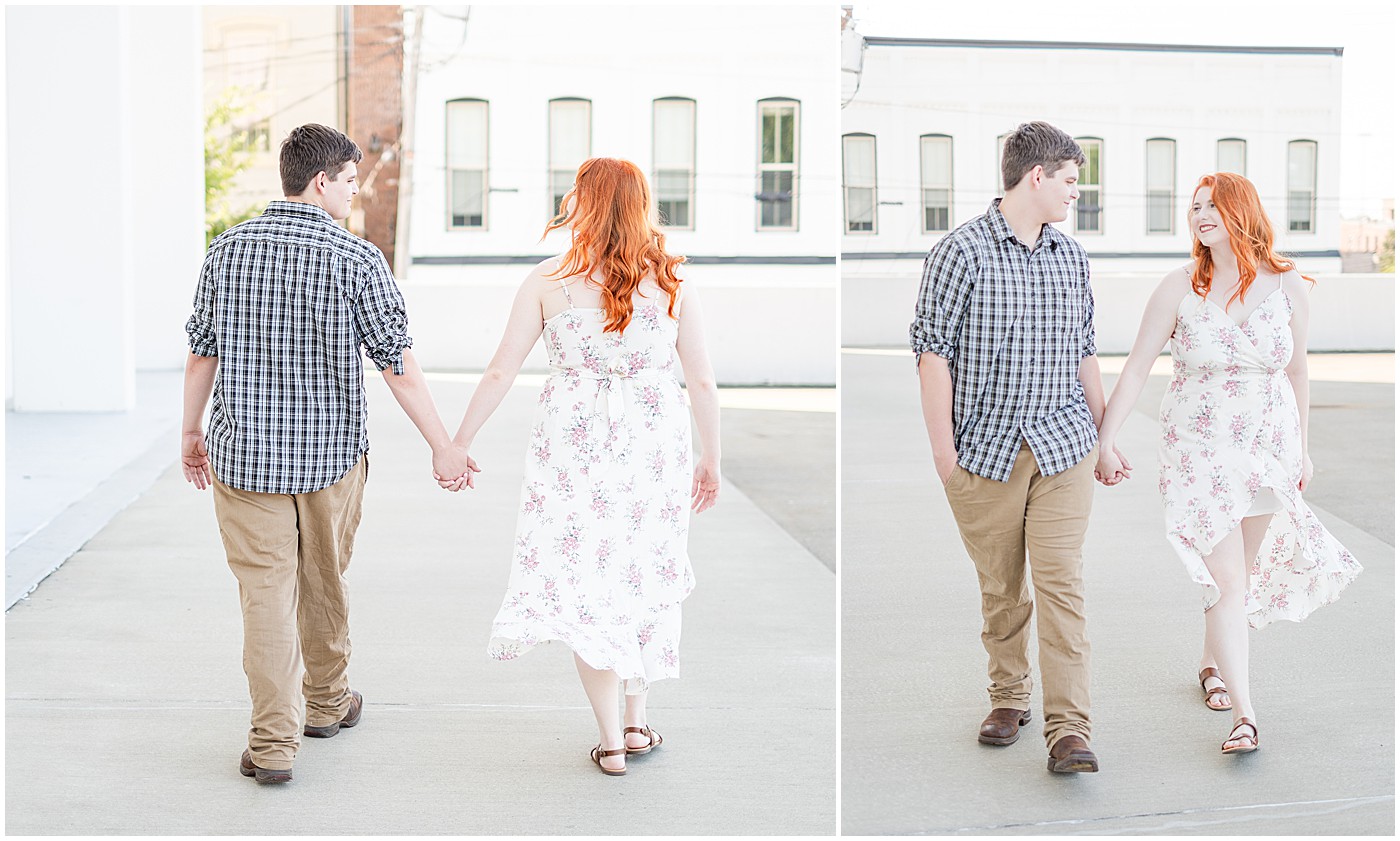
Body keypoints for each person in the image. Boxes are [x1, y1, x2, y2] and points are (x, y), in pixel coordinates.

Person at [182, 124, 475, 783]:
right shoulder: (357, 259)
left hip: (244, 459)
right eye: (348, 181)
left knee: (265, 595)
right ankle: (325, 700)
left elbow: (203, 350)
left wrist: (189, 431)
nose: (352, 192)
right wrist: (444, 445)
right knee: (323, 581)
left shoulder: (226, 250)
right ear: (321, 182)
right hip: (330, 461)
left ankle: (274, 745)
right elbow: (398, 364)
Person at [442, 157, 721, 776]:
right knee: (641, 573)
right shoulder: (674, 279)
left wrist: (458, 441)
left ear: (583, 204)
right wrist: (712, 457)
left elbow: (500, 370)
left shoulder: (547, 280)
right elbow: (700, 379)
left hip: (574, 445)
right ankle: (637, 721)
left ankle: (612, 741)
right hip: (655, 441)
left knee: (590, 583)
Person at [1094, 172, 1361, 755]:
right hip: (1197, 450)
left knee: (1238, 568)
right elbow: (1138, 366)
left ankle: (1211, 666)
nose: (1199, 215)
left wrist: (1303, 450)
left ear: (1241, 210)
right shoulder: (1178, 287)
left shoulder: (1290, 285)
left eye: (1212, 205)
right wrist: (1106, 439)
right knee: (1227, 581)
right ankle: (1246, 716)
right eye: (1194, 208)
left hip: (1268, 448)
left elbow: (1297, 372)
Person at [911, 121, 1117, 774]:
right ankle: (1008, 695)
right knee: (1002, 587)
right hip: (984, 453)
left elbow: (1085, 352)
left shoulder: (1072, 257)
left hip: (1064, 449)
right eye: (1069, 180)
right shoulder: (960, 252)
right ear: (1037, 176)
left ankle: (1069, 731)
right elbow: (932, 351)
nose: (1075, 194)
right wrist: (945, 456)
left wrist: (1105, 436)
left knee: (1061, 585)